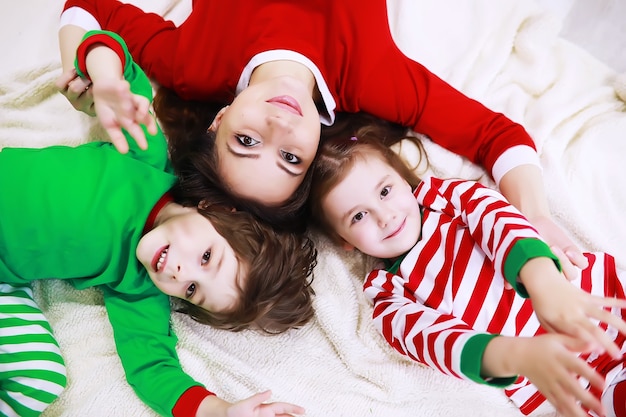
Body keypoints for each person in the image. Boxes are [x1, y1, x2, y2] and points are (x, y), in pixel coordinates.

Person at [54, 0, 589, 273]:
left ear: (219, 120)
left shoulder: (192, 67)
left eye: (245, 141)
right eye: (289, 156)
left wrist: (92, 73)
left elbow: (91, 6)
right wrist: (535, 217)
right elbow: (494, 135)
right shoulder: (370, 76)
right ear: (314, 153)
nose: (280, 126)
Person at [1, 30, 316, 417]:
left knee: (41, 382)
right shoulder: (146, 160)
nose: (181, 274)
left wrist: (222, 412)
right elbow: (110, 50)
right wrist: (108, 80)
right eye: (206, 256)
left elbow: (153, 369)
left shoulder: (138, 287)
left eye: (192, 290)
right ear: (216, 211)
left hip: (5, 278)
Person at [308, 130, 626, 417]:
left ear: (404, 181)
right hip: (562, 378)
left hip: (600, 302)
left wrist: (541, 278)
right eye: (359, 216)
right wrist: (517, 354)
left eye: (385, 191)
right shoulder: (389, 296)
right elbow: (438, 342)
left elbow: (495, 219)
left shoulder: (448, 200)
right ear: (343, 241)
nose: (385, 216)